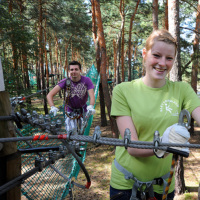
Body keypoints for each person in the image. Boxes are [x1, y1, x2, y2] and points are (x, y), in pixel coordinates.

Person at [110, 29, 200, 200]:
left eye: (169, 58)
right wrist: (164, 146)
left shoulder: (182, 90)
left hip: (163, 187)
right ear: (144, 54)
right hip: (126, 186)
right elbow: (133, 147)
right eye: (156, 55)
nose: (162, 63)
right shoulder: (123, 91)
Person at [47, 60, 96, 132]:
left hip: (83, 110)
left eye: (76, 69)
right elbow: (49, 95)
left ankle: (80, 141)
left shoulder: (86, 80)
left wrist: (91, 106)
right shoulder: (65, 81)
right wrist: (52, 107)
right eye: (72, 69)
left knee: (82, 131)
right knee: (71, 133)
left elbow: (92, 96)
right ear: (69, 71)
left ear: (80, 70)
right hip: (70, 110)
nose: (74, 71)